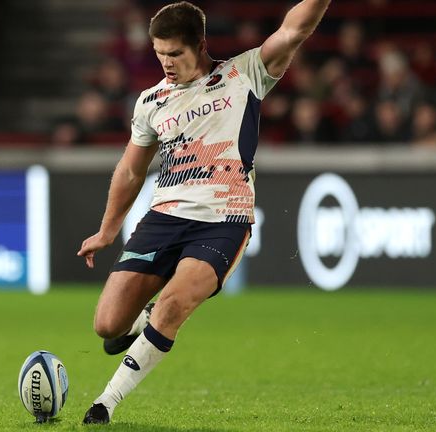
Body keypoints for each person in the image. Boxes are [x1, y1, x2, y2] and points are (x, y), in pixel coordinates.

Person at [76, 0, 333, 424]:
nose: (166, 63)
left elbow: (292, 31)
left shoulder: (243, 74)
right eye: (159, 53)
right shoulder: (151, 102)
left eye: (175, 53)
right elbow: (130, 170)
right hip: (163, 218)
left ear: (200, 44)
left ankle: (105, 402)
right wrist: (107, 231)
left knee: (174, 305)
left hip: (224, 220)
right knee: (107, 325)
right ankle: (145, 316)